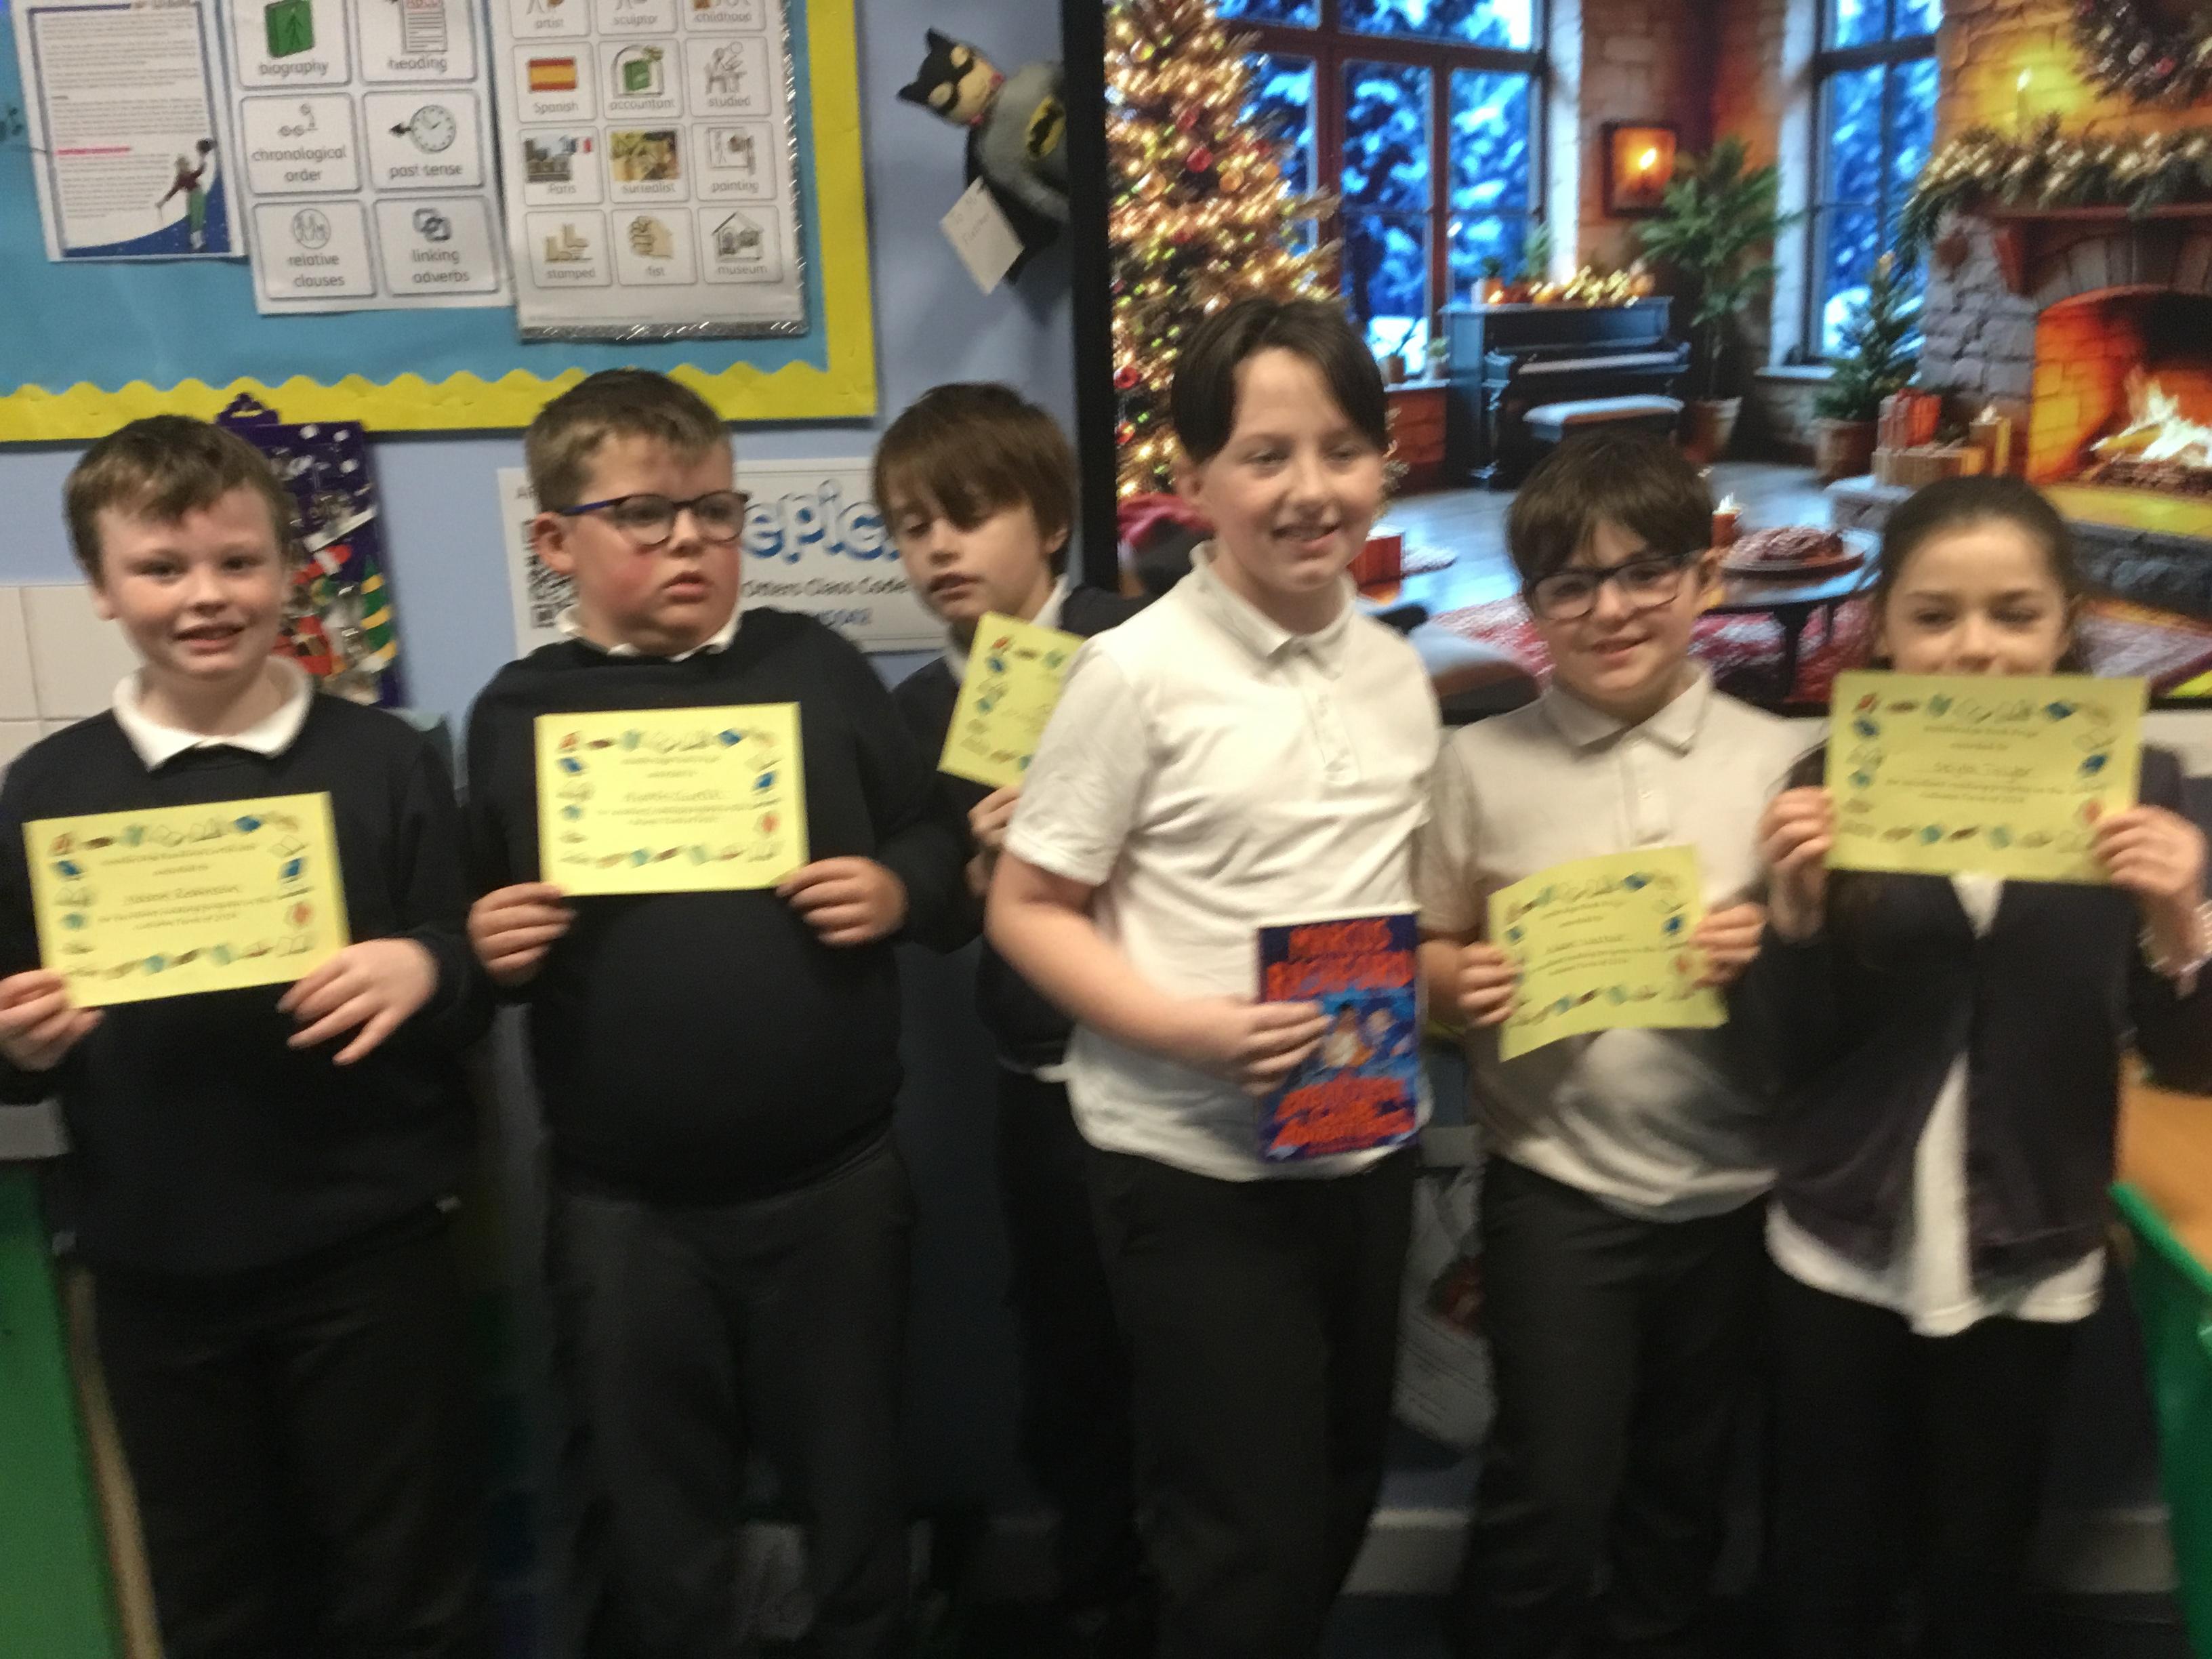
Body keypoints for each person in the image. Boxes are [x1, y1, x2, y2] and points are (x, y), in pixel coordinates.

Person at [464, 369, 967, 1659]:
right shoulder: (519, 715)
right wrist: (485, 947)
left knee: (856, 1491)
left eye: (716, 511)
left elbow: (939, 844)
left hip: (835, 1186)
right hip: (624, 1211)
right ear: (555, 539)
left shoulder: (818, 667)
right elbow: (474, 934)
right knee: (654, 1525)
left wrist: (899, 887)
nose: (689, 540)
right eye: (644, 514)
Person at [987, 297, 1441, 1659]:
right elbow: (1027, 907)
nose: (1313, 490)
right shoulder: (1130, 674)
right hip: (1192, 1170)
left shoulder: (1397, 669)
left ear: (1383, 464)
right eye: (1266, 456)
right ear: (1193, 481)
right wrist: (1187, 1031)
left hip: (1366, 1147)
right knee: (1241, 1538)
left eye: (1344, 450)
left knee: (1342, 1485)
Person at [0, 414, 491, 1658]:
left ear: (288, 572)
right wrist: (22, 1047)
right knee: (218, 1598)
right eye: (161, 568)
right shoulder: (47, 790)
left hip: (372, 1257)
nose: (206, 596)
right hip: (156, 1270)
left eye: (238, 562)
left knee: (410, 1588)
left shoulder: (384, 760)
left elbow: (475, 968)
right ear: (103, 588)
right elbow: (9, 1024)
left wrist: (429, 965)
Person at [1748, 474, 2212, 1659]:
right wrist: (1793, 922)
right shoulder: (1823, 785)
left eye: (2015, 614)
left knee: (1981, 1553)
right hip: (1844, 1233)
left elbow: (2188, 1064)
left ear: (2066, 624)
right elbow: (1778, 1060)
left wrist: (2179, 928)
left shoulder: (2148, 792)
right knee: (1824, 1557)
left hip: (2030, 1233)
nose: (1976, 649)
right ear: (1883, 631)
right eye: (1935, 616)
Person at [1413, 430, 1795, 1659]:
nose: (1612, 609)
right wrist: (1451, 981)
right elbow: (1419, 953)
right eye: (1571, 585)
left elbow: (1839, 977)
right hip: (1558, 1187)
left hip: (1738, 1188)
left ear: (1707, 578)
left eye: (1646, 573)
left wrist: (1774, 944)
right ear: (1530, 608)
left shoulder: (1782, 762)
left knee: (1685, 1480)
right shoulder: (1476, 767)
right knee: (1550, 1481)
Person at [877, 382, 1151, 1658]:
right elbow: (935, 909)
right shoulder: (917, 713)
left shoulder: (1138, 645)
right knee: (1067, 1346)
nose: (939, 548)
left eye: (969, 515)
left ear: (1048, 523)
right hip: (1037, 1075)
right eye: (911, 526)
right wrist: (987, 867)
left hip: (1171, 1059)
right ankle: (1095, 1588)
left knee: (1192, 1348)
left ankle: (1196, 1595)